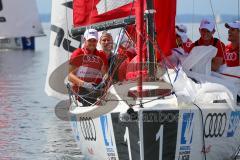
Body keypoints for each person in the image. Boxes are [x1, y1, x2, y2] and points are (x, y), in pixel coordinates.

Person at [68, 28, 108, 106]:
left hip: (97, 92)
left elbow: (105, 73)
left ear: (97, 41)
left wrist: (105, 80)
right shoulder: (78, 53)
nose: (92, 43)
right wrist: (85, 84)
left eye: (94, 40)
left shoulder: (101, 55)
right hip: (81, 94)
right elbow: (70, 76)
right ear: (85, 40)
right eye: (90, 40)